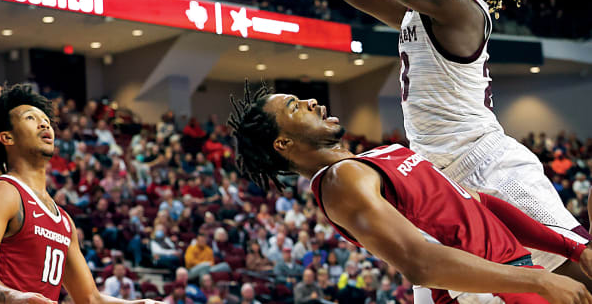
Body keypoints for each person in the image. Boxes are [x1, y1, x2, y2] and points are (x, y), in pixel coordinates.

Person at [317, 0, 590, 284]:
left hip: (488, 163)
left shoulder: (459, 6)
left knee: (576, 268)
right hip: (439, 177)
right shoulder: (428, 8)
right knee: (487, 290)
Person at [227, 81, 592, 304]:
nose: (310, 102)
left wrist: (572, 248)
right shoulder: (338, 180)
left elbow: (479, 203)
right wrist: (540, 279)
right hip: (483, 293)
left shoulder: (377, 157)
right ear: (284, 142)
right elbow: (421, 264)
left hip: (511, 277)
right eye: (294, 106)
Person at [0, 84, 161, 304]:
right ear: (7, 138)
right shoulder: (0, 192)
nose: (44, 122)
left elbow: (90, 299)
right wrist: (14, 297)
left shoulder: (64, 221)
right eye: (30, 118)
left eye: (46, 118)